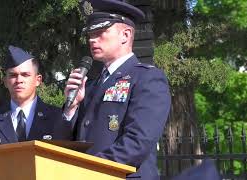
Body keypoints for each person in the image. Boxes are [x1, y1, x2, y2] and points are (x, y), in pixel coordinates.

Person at [59, 0, 171, 179]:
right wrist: (71, 108)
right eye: (90, 34)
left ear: (125, 35)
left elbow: (138, 142)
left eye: (100, 33)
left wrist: (89, 169)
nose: (92, 40)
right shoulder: (90, 85)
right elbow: (66, 141)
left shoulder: (147, 79)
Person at [0, 45, 62, 148]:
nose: (19, 80)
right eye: (13, 75)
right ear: (5, 81)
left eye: (25, 75)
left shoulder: (57, 118)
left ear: (38, 80)